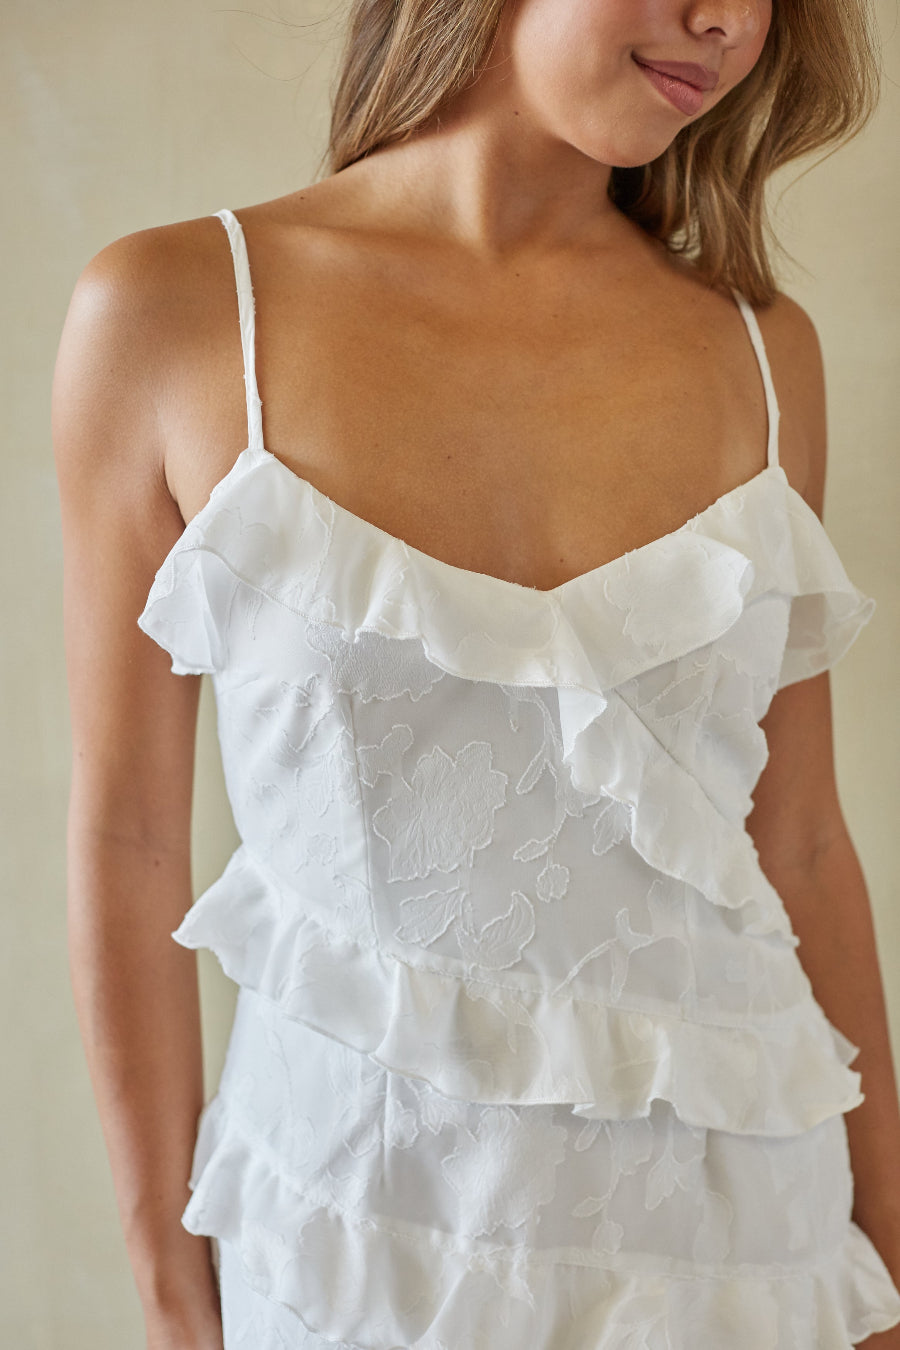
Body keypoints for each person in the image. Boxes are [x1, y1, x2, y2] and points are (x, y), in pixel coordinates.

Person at [52, 0, 900, 1346]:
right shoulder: (177, 313)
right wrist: (170, 1295)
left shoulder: (762, 349)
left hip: (745, 1257)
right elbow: (130, 834)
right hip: (348, 1249)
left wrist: (886, 1276)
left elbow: (798, 849)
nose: (729, 21)